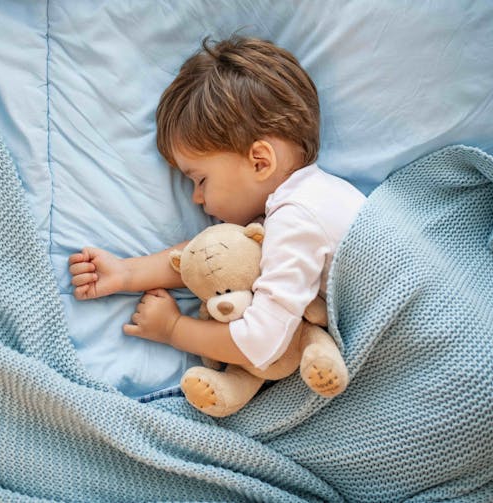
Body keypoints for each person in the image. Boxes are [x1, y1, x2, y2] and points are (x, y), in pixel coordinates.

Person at [68, 35, 366, 374]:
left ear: (258, 161)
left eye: (201, 180)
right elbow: (215, 256)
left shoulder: (297, 218)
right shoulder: (313, 196)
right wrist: (127, 273)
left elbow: (262, 343)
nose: (197, 198)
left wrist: (174, 330)